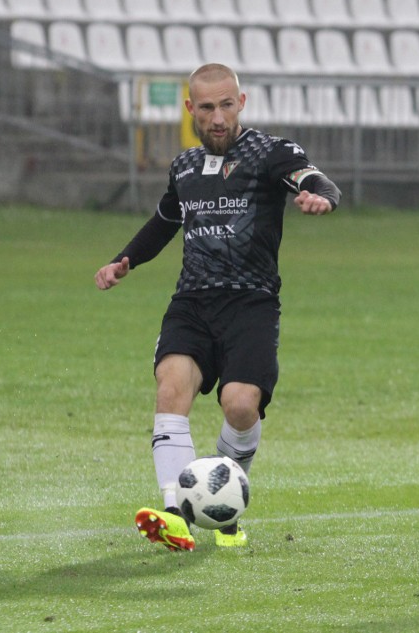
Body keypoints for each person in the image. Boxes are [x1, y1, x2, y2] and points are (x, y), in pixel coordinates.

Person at [95, 63, 341, 552]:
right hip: (192, 302)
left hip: (251, 303)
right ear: (191, 110)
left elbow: (315, 179)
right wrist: (125, 260)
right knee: (171, 390)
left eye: (227, 105)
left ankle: (226, 504)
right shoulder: (184, 166)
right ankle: (174, 512)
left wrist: (321, 199)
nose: (218, 117)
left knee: (241, 405)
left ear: (241, 102)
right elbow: (166, 220)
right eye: (206, 108)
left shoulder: (271, 153)